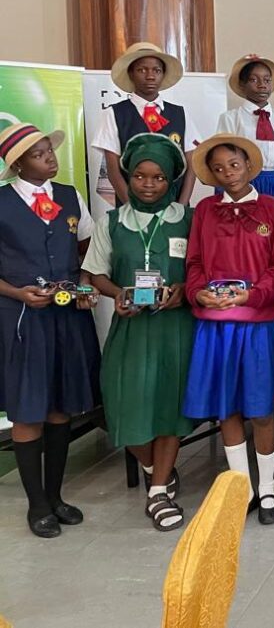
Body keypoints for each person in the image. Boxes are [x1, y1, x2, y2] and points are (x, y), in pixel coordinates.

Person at [82, 133, 195, 532]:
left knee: (170, 407)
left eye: (159, 177)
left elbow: (203, 270)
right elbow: (94, 274)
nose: (149, 184)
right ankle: (152, 466)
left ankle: (158, 491)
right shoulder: (112, 222)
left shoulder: (189, 219)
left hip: (176, 330)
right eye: (140, 176)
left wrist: (184, 290)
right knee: (124, 406)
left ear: (172, 180)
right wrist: (118, 293)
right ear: (127, 177)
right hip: (130, 327)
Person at [181, 134, 274, 525]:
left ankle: (268, 488)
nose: (228, 173)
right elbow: (194, 263)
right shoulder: (205, 211)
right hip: (214, 326)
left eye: (233, 164)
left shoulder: (273, 210)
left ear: (248, 165)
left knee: (260, 410)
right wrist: (198, 293)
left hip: (257, 324)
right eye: (218, 168)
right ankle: (241, 489)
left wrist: (253, 295)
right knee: (226, 407)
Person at [0, 123, 99, 538]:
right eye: (39, 154)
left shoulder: (69, 196)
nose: (50, 159)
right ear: (18, 164)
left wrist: (85, 286)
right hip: (23, 318)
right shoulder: (2, 202)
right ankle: (37, 505)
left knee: (62, 406)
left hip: (67, 316)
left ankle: (56, 496)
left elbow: (87, 251)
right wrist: (17, 292)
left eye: (50, 151)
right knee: (29, 409)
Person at [92, 42, 202, 205]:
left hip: (174, 206)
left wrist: (181, 206)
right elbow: (113, 172)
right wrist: (133, 210)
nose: (150, 76)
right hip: (131, 207)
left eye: (156, 70)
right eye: (142, 70)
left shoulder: (180, 114)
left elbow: (191, 167)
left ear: (163, 74)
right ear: (131, 74)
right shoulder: (114, 114)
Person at [217, 54, 274, 221]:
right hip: (243, 187)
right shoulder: (230, 119)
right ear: (242, 84)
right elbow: (222, 161)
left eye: (267, 80)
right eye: (254, 80)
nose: (262, 85)